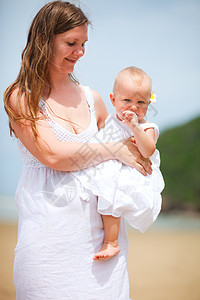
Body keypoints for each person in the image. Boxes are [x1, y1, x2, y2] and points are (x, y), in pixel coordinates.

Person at [3, 1, 152, 299]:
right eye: (71, 43)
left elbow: (127, 148)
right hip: (47, 243)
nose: (80, 52)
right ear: (44, 40)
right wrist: (113, 149)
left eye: (83, 44)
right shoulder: (21, 98)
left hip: (102, 245)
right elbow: (54, 156)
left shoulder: (92, 98)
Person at [72, 66, 165, 261]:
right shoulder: (110, 121)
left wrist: (135, 127)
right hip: (110, 168)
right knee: (105, 199)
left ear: (149, 104)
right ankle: (106, 239)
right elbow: (102, 141)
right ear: (114, 100)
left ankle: (112, 242)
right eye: (127, 101)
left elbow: (148, 150)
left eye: (141, 102)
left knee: (113, 201)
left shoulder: (147, 127)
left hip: (133, 174)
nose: (133, 107)